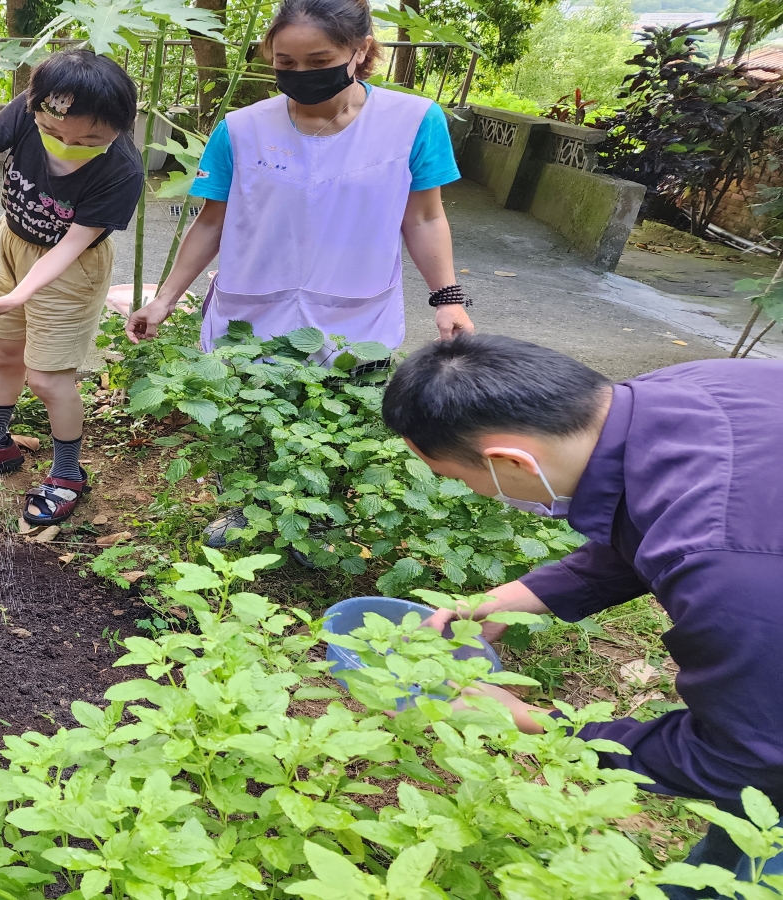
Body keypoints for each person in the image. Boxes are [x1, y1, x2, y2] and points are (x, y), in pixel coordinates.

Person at [381, 333, 783, 893]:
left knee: (760, 863)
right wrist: (522, 596)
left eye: (457, 479)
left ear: (508, 461)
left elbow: (752, 758)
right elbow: (658, 518)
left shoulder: (726, 567)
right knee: (744, 841)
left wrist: (537, 724)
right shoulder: (691, 388)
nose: (470, 493)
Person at [127, 0, 470, 355]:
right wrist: (165, 299)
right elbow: (212, 223)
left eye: (319, 62)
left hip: (358, 323)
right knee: (246, 401)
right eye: (285, 63)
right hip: (248, 324)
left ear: (362, 49)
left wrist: (448, 300)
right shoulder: (241, 129)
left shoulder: (414, 121)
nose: (301, 73)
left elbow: (424, 218)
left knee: (347, 402)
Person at [0, 49, 143, 527]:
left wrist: (21, 294)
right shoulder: (28, 109)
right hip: (10, 241)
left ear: (119, 127)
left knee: (47, 377)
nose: (66, 144)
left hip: (69, 267)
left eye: (88, 139)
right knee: (5, 354)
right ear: (35, 109)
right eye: (53, 132)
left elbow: (71, 246)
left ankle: (67, 474)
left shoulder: (122, 171)